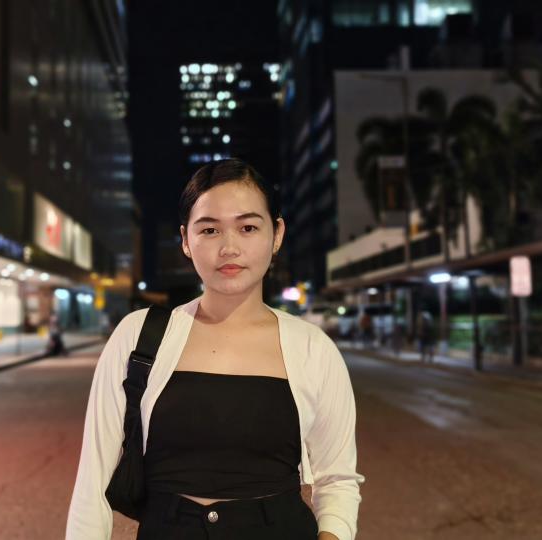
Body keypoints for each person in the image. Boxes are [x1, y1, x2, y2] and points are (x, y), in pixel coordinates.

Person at [67, 159, 364, 540]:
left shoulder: (313, 349)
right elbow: (92, 481)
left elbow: (338, 479)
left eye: (248, 227)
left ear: (276, 234)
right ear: (186, 241)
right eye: (209, 229)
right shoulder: (139, 336)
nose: (229, 247)